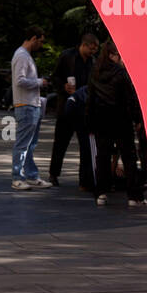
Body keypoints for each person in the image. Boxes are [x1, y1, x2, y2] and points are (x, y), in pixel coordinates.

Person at [86, 40, 144, 206]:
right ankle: (134, 196)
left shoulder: (95, 72)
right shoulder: (121, 73)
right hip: (121, 119)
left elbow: (90, 98)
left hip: (101, 119)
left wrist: (89, 120)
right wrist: (137, 119)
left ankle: (101, 193)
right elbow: (130, 97)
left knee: (102, 157)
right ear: (112, 55)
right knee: (129, 157)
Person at [48, 32, 99, 188]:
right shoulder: (67, 56)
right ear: (83, 45)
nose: (92, 52)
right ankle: (54, 174)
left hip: (84, 108)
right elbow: (55, 77)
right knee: (61, 142)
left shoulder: (93, 61)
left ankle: (84, 179)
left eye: (95, 50)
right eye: (91, 48)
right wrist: (63, 86)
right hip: (67, 106)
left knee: (85, 145)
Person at [10, 26, 51, 189]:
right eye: (40, 41)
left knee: (29, 143)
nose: (41, 45)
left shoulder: (24, 55)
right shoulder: (22, 56)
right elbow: (19, 80)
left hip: (31, 104)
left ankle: (31, 175)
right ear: (33, 38)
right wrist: (39, 82)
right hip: (25, 104)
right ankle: (17, 177)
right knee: (23, 143)